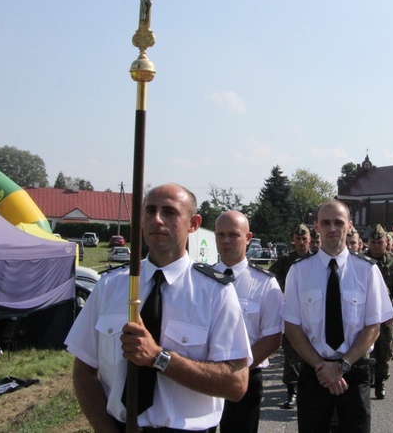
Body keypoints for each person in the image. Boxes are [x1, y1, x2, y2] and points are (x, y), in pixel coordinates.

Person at [65, 183, 252, 432]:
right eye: (150, 211)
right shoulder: (111, 286)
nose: (157, 219)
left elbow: (235, 384)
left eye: (170, 212)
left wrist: (158, 358)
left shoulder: (215, 293)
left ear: (193, 224)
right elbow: (84, 371)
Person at [282, 200, 393, 432]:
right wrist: (322, 367)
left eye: (338, 222)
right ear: (317, 227)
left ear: (349, 225)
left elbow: (373, 327)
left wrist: (342, 365)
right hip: (315, 373)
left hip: (354, 371)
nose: (332, 228)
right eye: (326, 223)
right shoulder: (299, 271)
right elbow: (292, 327)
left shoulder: (368, 270)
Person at [212, 211, 284, 433]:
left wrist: (237, 370)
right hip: (204, 375)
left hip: (245, 375)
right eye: (220, 234)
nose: (225, 241)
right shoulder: (200, 278)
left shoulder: (265, 284)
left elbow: (272, 338)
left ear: (248, 237)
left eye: (233, 235)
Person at [268, 223, 312, 409]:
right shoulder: (286, 260)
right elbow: (269, 278)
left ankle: (310, 391)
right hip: (292, 313)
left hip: (312, 315)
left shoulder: (317, 260)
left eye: (304, 239)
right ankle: (291, 392)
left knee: (312, 352)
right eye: (298, 239)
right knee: (291, 353)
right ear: (293, 240)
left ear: (310, 240)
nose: (301, 242)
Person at [366, 225, 393, 399]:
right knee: (365, 348)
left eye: (380, 242)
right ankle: (366, 378)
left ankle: (380, 381)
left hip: (385, 313)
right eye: (373, 242)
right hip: (365, 312)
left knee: (384, 349)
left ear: (386, 243)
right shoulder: (362, 260)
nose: (376, 246)